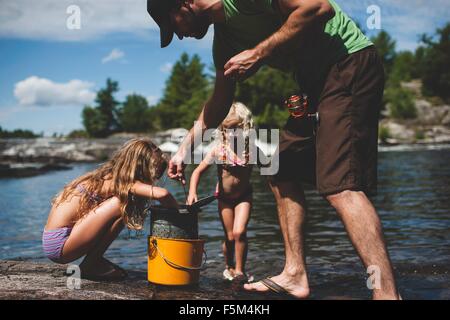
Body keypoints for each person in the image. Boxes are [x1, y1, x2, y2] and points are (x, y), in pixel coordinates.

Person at [147, 0, 401, 299]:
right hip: (314, 85)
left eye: (173, 24)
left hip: (347, 63)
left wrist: (258, 52)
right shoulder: (225, 40)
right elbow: (220, 101)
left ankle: (386, 293)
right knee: (279, 166)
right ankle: (295, 274)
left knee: (340, 185)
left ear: (185, 4)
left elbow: (319, 7)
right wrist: (184, 150)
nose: (178, 34)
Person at [43, 138, 178, 281]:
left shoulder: (107, 176)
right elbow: (163, 194)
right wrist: (178, 213)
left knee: (122, 209)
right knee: (120, 203)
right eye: (154, 176)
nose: (153, 180)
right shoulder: (121, 183)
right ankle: (89, 265)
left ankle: (92, 263)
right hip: (61, 244)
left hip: (58, 241)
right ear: (142, 169)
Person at [187, 102, 254, 282]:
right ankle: (228, 266)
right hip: (224, 198)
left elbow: (272, 171)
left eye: (235, 129)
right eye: (227, 129)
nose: (231, 133)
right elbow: (197, 172)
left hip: (244, 197)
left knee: (240, 232)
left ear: (245, 128)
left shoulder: (251, 150)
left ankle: (240, 271)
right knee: (230, 236)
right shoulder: (219, 150)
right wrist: (192, 192)